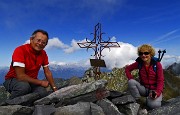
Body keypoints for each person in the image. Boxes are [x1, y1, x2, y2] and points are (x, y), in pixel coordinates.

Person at [3, 29, 58, 99]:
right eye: (38, 40)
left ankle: (29, 107)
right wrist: (41, 82)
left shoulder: (43, 54)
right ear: (31, 39)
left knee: (42, 93)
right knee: (24, 87)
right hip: (13, 79)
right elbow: (20, 76)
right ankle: (8, 106)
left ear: (45, 45)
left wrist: (54, 88)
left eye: (43, 42)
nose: (40, 43)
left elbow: (47, 72)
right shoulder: (20, 50)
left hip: (31, 80)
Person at [125, 44, 164, 110]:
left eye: (146, 53)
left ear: (151, 54)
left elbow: (160, 80)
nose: (143, 55)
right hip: (143, 88)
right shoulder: (139, 63)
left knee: (154, 106)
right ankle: (139, 100)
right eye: (141, 53)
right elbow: (127, 69)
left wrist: (157, 92)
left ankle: (148, 100)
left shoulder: (157, 64)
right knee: (131, 82)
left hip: (154, 90)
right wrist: (130, 78)